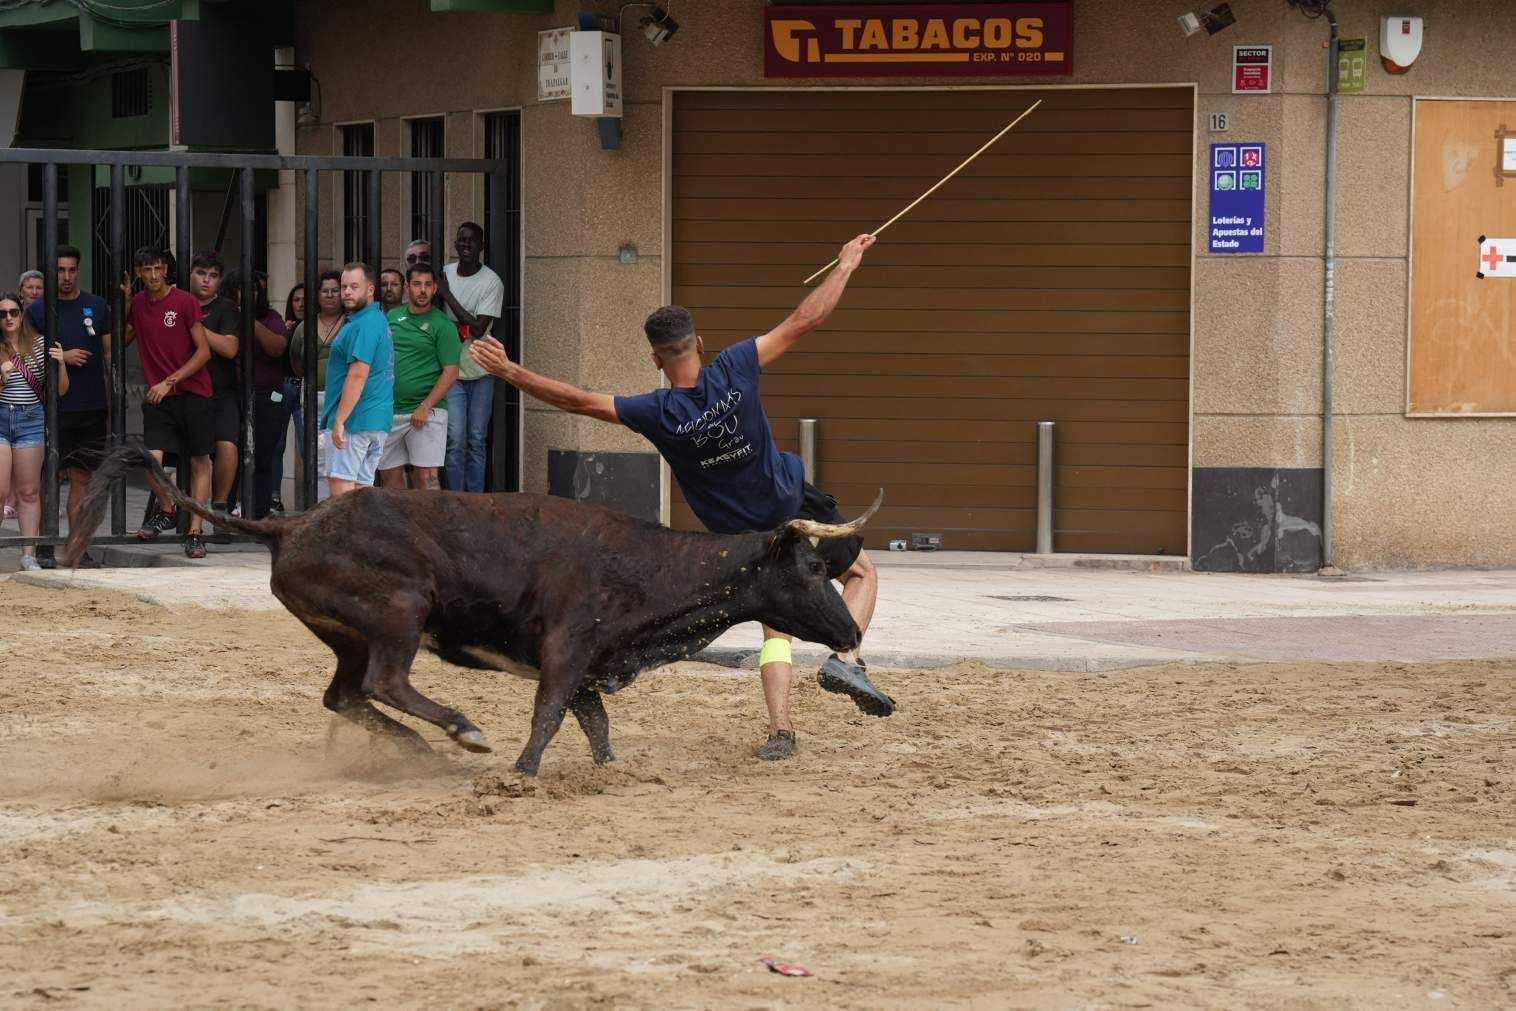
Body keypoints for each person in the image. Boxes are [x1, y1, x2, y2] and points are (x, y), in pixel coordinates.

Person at [470, 234, 891, 761]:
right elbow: (807, 318)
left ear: (654, 359)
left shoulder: (655, 411)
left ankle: (781, 730)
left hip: (742, 540)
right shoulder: (736, 365)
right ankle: (847, 659)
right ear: (700, 343)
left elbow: (575, 401)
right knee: (861, 574)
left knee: (775, 627)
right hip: (795, 510)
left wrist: (510, 372)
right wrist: (847, 262)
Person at [121, 246, 214, 558]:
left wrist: (170, 380)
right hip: (158, 396)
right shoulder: (137, 303)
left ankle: (195, 532)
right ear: (138, 273)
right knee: (151, 459)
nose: (153, 276)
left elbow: (204, 352)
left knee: (200, 462)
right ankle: (167, 509)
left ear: (166, 269)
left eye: (158, 268)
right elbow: (121, 342)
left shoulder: (184, 301)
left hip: (192, 392)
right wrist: (123, 305)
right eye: (146, 270)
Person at [26, 245, 110, 569]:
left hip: (91, 406)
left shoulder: (97, 305)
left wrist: (112, 400)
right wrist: (65, 356)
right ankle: (46, 545)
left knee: (82, 479)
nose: (66, 276)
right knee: (50, 476)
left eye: (71, 270)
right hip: (53, 407)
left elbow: (110, 352)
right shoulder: (37, 310)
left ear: (78, 270)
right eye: (60, 270)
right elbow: (29, 354)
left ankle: (76, 549)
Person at [0, 292, 69, 570]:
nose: (8, 318)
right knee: (1, 490)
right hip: (1, 416)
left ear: (21, 314)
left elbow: (61, 391)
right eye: (2, 313)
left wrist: (62, 362)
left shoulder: (39, 345)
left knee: (29, 491)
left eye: (13, 312)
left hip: (31, 420)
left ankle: (28, 554)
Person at [378, 263, 459, 491]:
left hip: (426, 413)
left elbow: (451, 371)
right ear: (407, 288)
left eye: (427, 285)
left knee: (426, 480)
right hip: (390, 412)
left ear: (435, 289)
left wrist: (425, 406)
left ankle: (434, 528)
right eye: (416, 284)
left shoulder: (443, 325)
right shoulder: (392, 316)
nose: (422, 290)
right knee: (390, 482)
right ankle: (400, 528)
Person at [437, 222, 503, 492]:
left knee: (476, 439)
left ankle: (474, 499)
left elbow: (477, 328)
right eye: (461, 240)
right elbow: (438, 320)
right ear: (455, 244)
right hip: (451, 372)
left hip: (481, 370)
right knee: (454, 439)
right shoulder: (444, 273)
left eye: (472, 241)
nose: (466, 245)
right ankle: (455, 499)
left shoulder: (491, 281)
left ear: (481, 247)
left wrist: (448, 295)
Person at [319, 263, 393, 497]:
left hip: (355, 421)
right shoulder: (377, 318)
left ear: (370, 290)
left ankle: (344, 537)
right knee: (362, 496)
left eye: (354, 287)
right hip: (376, 419)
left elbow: (358, 374)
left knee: (342, 494)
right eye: (344, 287)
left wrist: (340, 420)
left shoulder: (363, 324)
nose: (347, 292)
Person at [224, 269, 290, 518]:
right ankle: (226, 515)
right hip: (233, 396)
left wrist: (249, 320)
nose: (248, 294)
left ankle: (259, 516)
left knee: (263, 458)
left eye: (253, 289)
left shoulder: (270, 317)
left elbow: (277, 348)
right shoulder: (224, 314)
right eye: (242, 288)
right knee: (230, 457)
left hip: (267, 397)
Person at [185, 251, 242, 526]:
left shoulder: (226, 308)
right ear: (191, 274)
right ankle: (176, 511)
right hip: (185, 390)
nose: (206, 280)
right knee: (188, 454)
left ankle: (220, 508)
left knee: (227, 445)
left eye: (213, 276)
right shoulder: (179, 303)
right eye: (201, 273)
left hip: (221, 390)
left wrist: (195, 326)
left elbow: (230, 348)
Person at [289, 270, 343, 502]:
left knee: (341, 455)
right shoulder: (304, 327)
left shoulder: (351, 322)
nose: (330, 295)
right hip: (311, 398)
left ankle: (339, 507)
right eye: (325, 291)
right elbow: (295, 360)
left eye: (335, 290)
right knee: (314, 456)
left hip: (343, 399)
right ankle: (320, 507)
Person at [272, 282, 304, 507]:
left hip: (305, 389)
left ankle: (312, 494)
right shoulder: (283, 326)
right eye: (296, 300)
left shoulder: (319, 327)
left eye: (305, 299)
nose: (301, 304)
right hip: (282, 388)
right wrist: (284, 332)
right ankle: (274, 495)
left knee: (307, 443)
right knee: (276, 444)